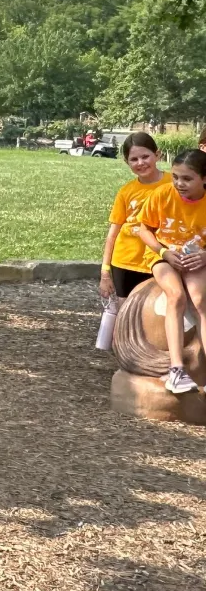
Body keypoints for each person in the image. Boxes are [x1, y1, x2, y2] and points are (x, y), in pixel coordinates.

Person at [136, 149, 206, 395]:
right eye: (176, 177)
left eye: (187, 179)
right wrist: (163, 252)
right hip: (164, 256)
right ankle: (177, 369)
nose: (179, 183)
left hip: (197, 258)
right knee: (176, 296)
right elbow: (143, 229)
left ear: (204, 179)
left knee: (200, 300)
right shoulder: (162, 195)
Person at [99, 133, 170, 301]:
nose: (141, 163)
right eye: (134, 159)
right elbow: (112, 234)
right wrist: (105, 273)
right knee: (125, 317)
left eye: (145, 156)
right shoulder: (126, 192)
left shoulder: (174, 184)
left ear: (157, 155)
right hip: (125, 262)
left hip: (159, 261)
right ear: (127, 162)